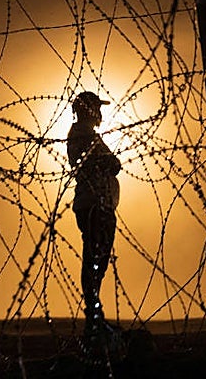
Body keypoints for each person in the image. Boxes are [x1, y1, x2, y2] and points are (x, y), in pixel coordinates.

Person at [67, 90, 122, 343]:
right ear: (88, 109)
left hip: (99, 204)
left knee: (97, 260)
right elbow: (89, 163)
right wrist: (108, 162)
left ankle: (95, 317)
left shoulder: (87, 134)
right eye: (96, 108)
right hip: (94, 204)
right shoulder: (81, 134)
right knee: (94, 259)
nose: (100, 113)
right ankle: (93, 319)